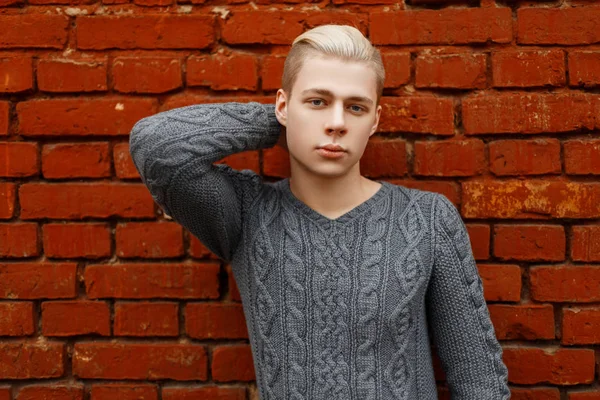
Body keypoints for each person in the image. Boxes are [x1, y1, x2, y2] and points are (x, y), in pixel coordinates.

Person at [129, 24, 510, 400]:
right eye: (317, 102)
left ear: (375, 120)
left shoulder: (425, 219)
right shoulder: (245, 214)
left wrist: (302, 114)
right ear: (283, 104)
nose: (337, 123)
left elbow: (479, 379)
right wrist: (281, 122)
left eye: (356, 107)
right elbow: (157, 145)